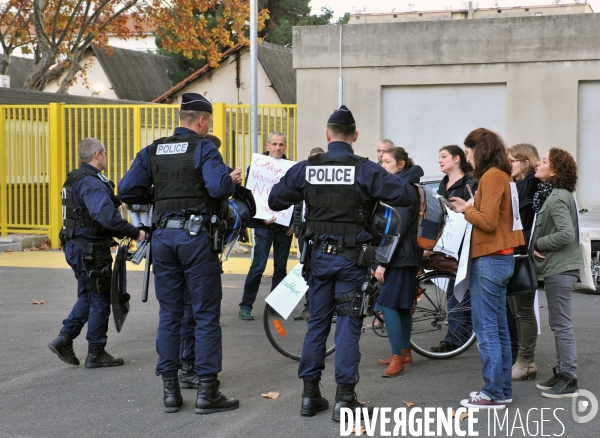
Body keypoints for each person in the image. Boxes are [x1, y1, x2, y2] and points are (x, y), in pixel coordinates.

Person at [268, 105, 413, 421]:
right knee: (348, 326)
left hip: (318, 260)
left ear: (327, 135)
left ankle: (310, 397)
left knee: (317, 324)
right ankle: (344, 401)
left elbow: (275, 200)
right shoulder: (365, 169)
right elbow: (405, 195)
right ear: (355, 136)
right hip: (352, 261)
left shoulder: (308, 168)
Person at [118, 93, 242, 414]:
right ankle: (207, 392)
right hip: (196, 238)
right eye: (208, 123)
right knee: (204, 314)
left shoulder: (154, 149)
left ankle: (170, 392)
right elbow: (218, 189)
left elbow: (127, 190)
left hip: (162, 239)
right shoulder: (204, 147)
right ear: (201, 121)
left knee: (170, 314)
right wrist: (228, 180)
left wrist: (157, 195)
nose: (208, 127)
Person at [49, 138, 145, 369]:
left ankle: (64, 339)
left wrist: (117, 200)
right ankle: (96, 352)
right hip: (90, 251)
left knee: (88, 296)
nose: (105, 156)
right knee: (100, 300)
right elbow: (105, 217)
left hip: (77, 247)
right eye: (104, 153)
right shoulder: (91, 183)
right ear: (98, 155)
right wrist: (135, 233)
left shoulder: (76, 178)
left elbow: (91, 207)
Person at [452, 128, 524, 410]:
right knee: (500, 328)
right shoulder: (502, 175)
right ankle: (501, 390)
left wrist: (464, 210)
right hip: (502, 258)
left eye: (468, 153)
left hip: (490, 259)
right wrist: (470, 206)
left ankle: (493, 393)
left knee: (488, 329)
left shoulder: (492, 176)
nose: (468, 159)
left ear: (479, 150)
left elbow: (488, 221)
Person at [531, 148, 583, 398]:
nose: (537, 163)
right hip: (557, 269)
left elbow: (566, 234)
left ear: (554, 171)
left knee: (561, 324)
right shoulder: (556, 195)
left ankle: (569, 378)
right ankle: (562, 371)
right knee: (557, 323)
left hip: (560, 269)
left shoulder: (557, 197)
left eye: (543, 161)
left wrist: (538, 244)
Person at [374, 146, 423, 377]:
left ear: (401, 165)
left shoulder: (402, 189)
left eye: (387, 162)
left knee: (387, 304)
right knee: (402, 305)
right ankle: (404, 352)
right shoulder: (403, 185)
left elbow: (397, 228)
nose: (382, 166)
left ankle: (397, 359)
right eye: (382, 162)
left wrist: (383, 262)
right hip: (406, 254)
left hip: (400, 256)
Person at [239, 131, 294, 321]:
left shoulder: (292, 169)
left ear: (285, 146)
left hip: (284, 227)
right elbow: (250, 196)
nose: (278, 148)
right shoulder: (255, 167)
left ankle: (274, 305)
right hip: (263, 225)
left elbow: (297, 197)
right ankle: (245, 305)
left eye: (281, 144)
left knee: (281, 268)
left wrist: (294, 222)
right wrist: (261, 217)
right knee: (258, 266)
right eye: (274, 144)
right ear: (267, 145)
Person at [430, 145, 477, 353]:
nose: (440, 160)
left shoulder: (470, 184)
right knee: (453, 289)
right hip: (447, 244)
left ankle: (456, 337)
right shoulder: (442, 183)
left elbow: (475, 211)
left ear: (457, 159)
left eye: (444, 156)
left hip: (464, 243)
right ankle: (459, 335)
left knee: (459, 289)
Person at [506, 144, 541, 380]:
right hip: (514, 251)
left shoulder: (531, 187)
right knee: (516, 310)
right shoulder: (519, 186)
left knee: (524, 311)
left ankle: (526, 360)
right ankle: (520, 358)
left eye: (512, 161)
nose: (508, 165)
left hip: (523, 253)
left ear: (525, 162)